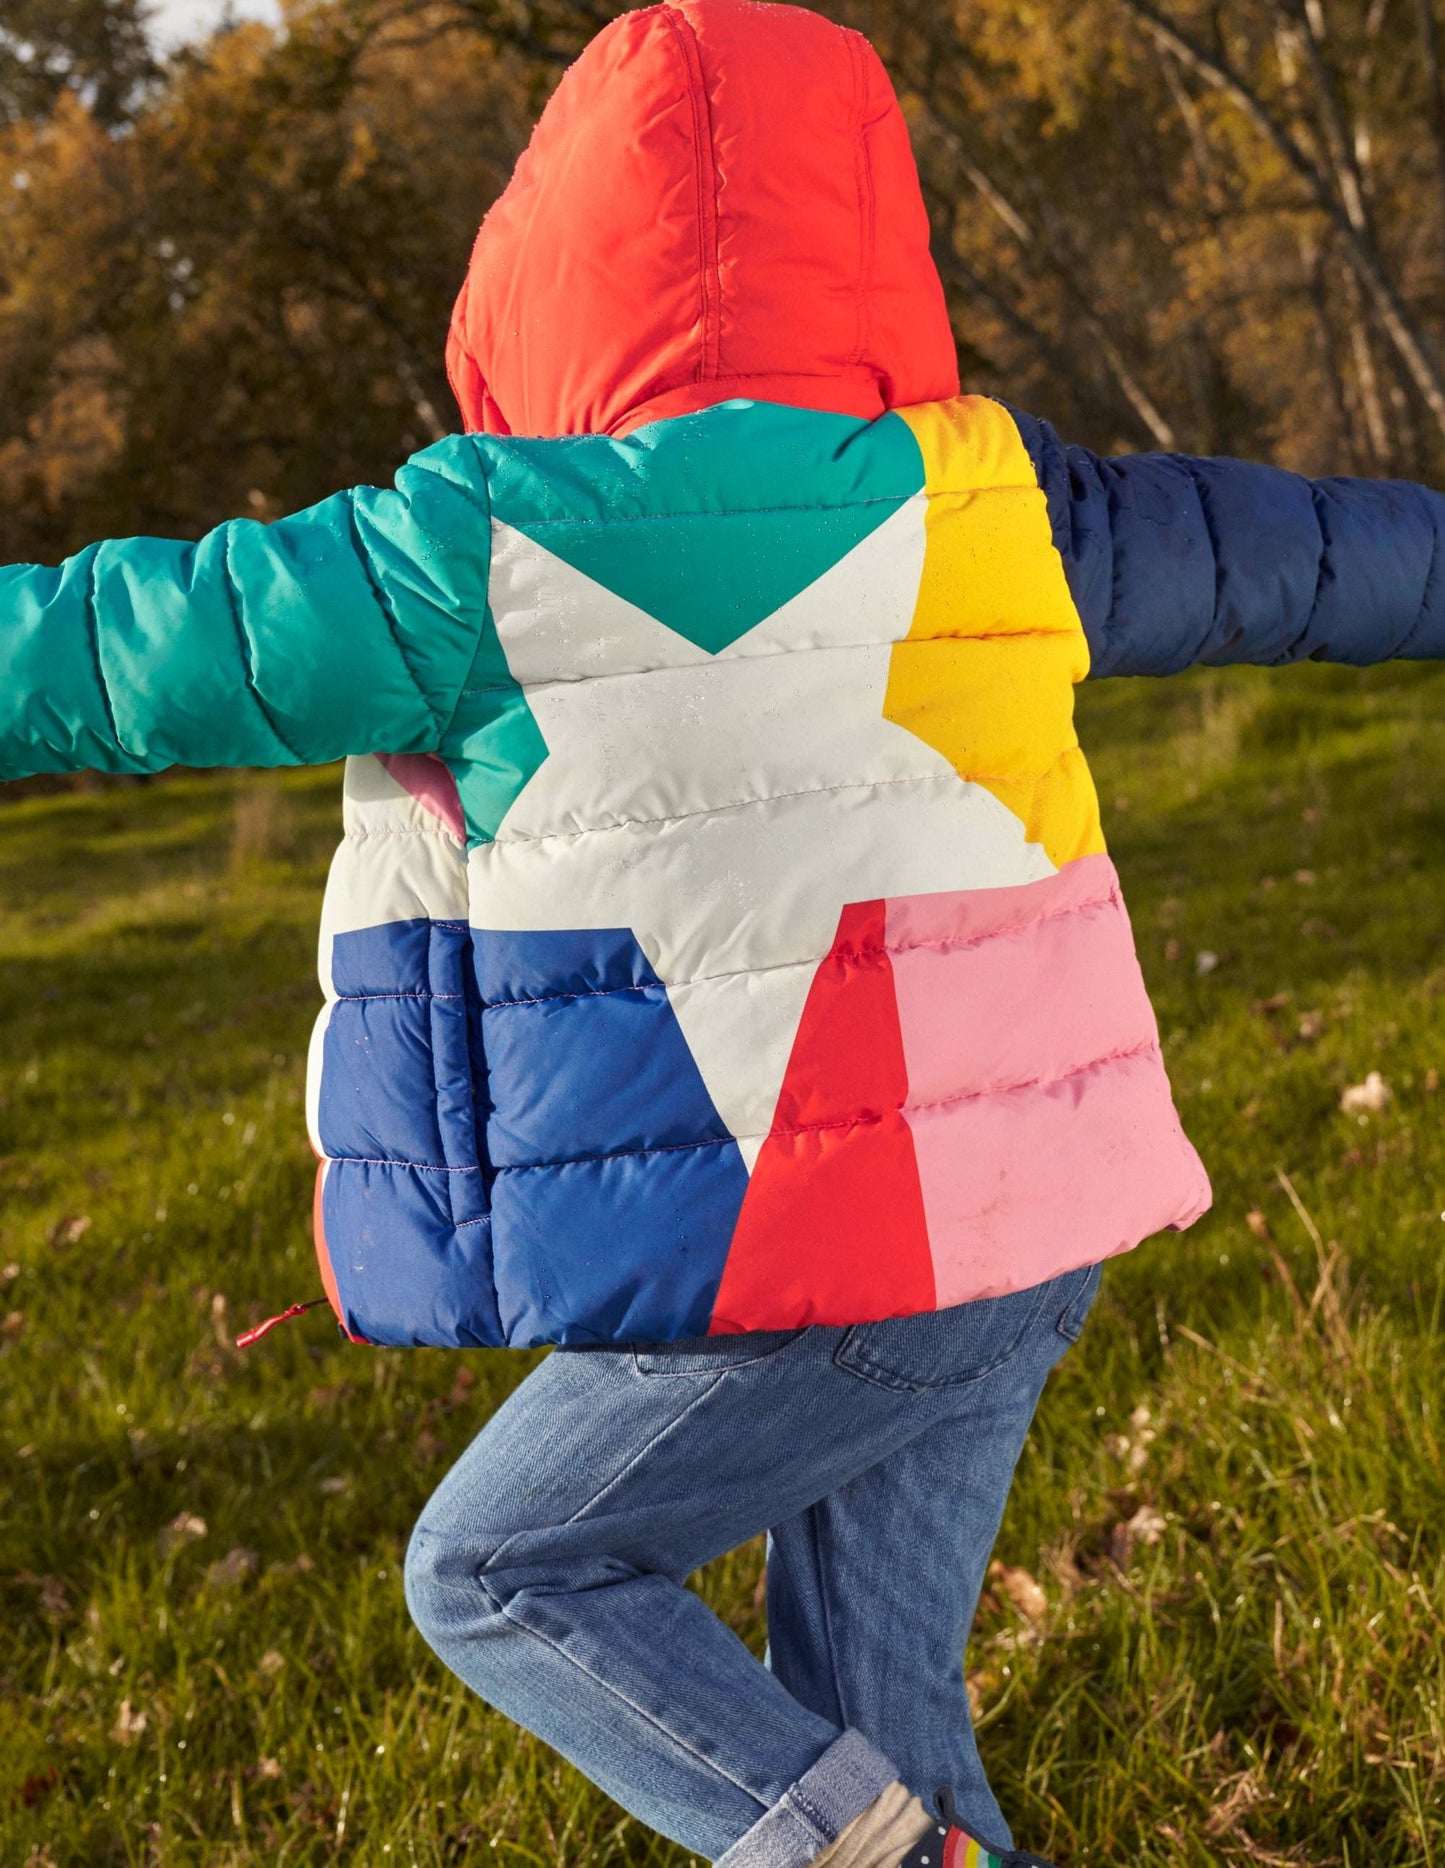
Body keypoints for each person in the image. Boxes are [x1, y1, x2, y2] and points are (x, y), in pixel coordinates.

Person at [3, 1, 1444, 1862]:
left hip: (812, 1260)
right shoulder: (999, 502)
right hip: (1023, 1229)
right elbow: (1321, 556)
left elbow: (119, 651)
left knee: (503, 1571)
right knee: (877, 1717)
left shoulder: (464, 549)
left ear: (542, 267)